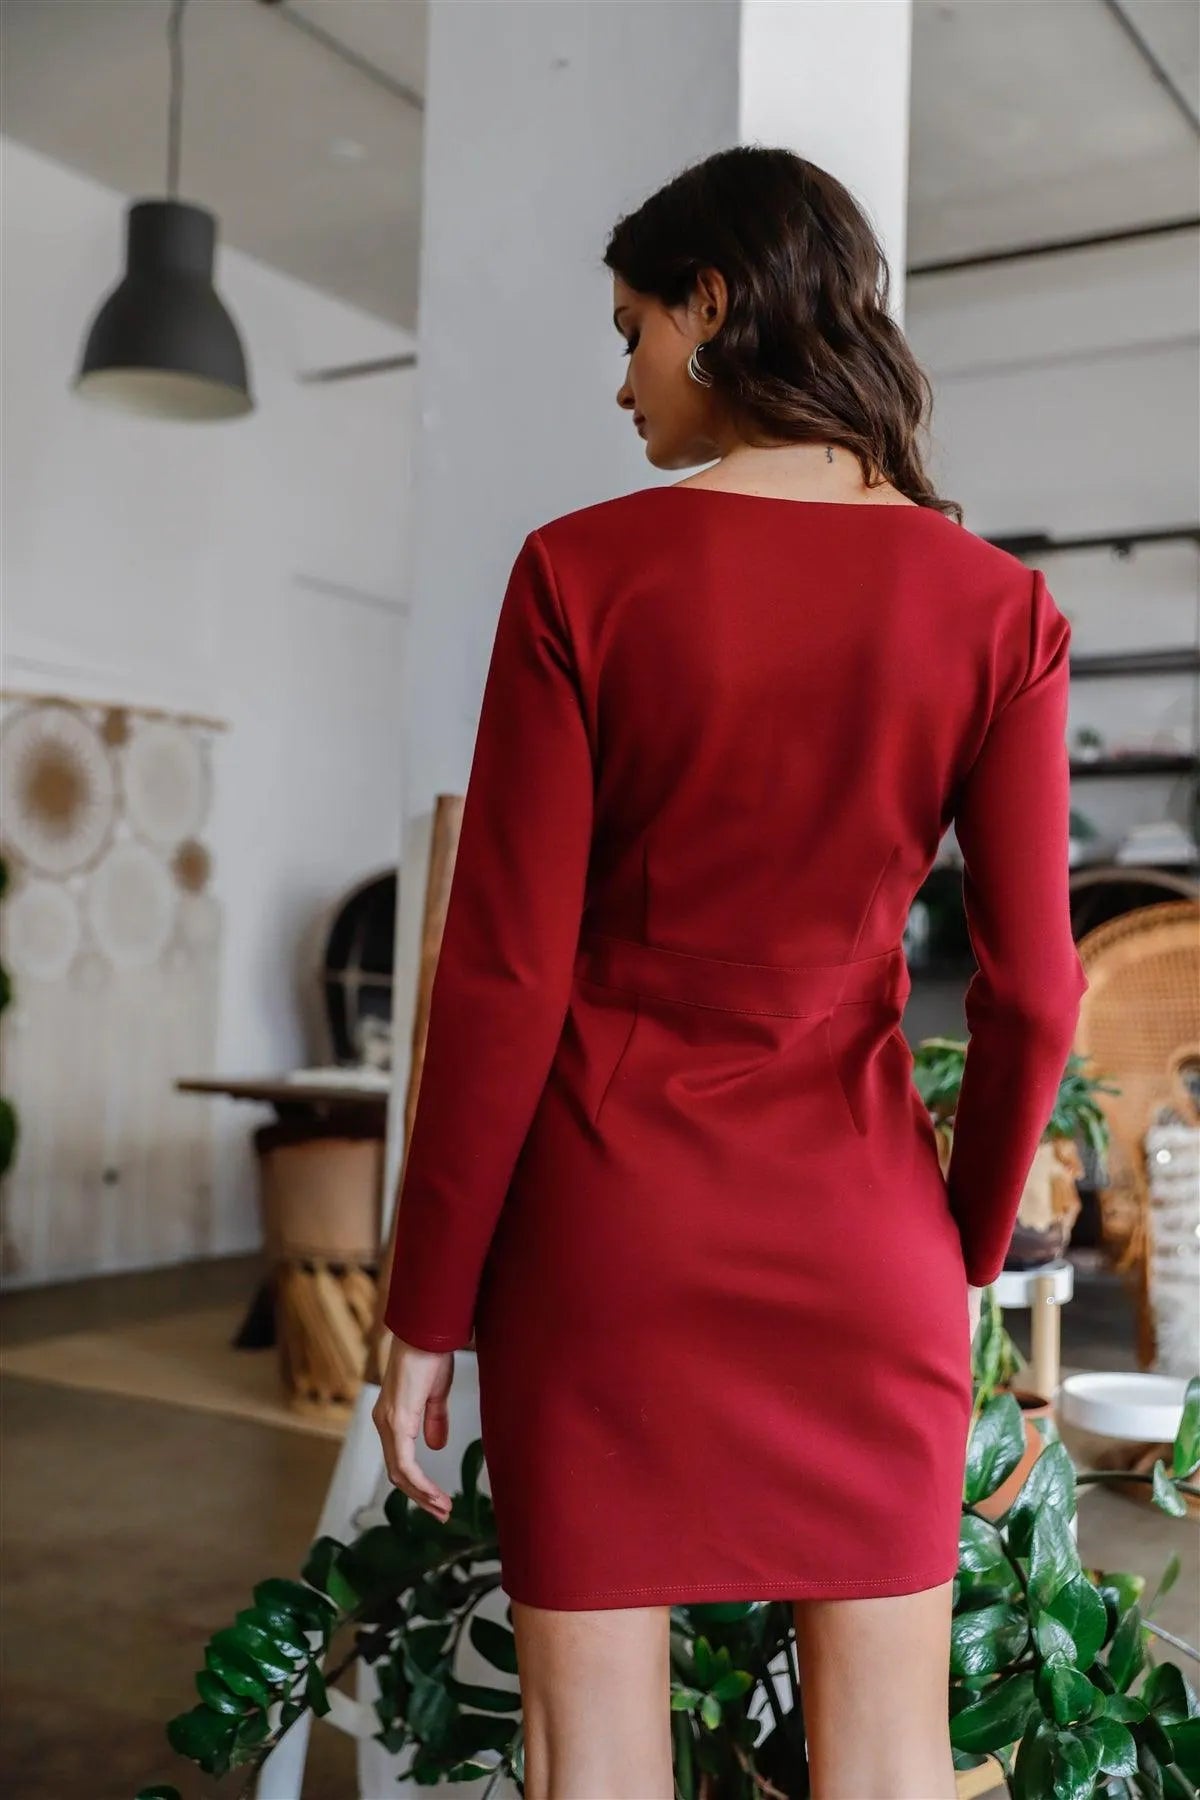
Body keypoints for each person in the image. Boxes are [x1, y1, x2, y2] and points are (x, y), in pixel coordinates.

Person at [373, 145, 1087, 1799]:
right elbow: (1035, 994)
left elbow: (501, 980)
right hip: (863, 1239)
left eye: (631, 330)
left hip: (607, 1236)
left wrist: (427, 1306)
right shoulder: (1003, 611)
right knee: (892, 1767)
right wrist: (961, 1254)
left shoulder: (580, 574)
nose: (622, 380)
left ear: (711, 305)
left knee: (595, 1766)